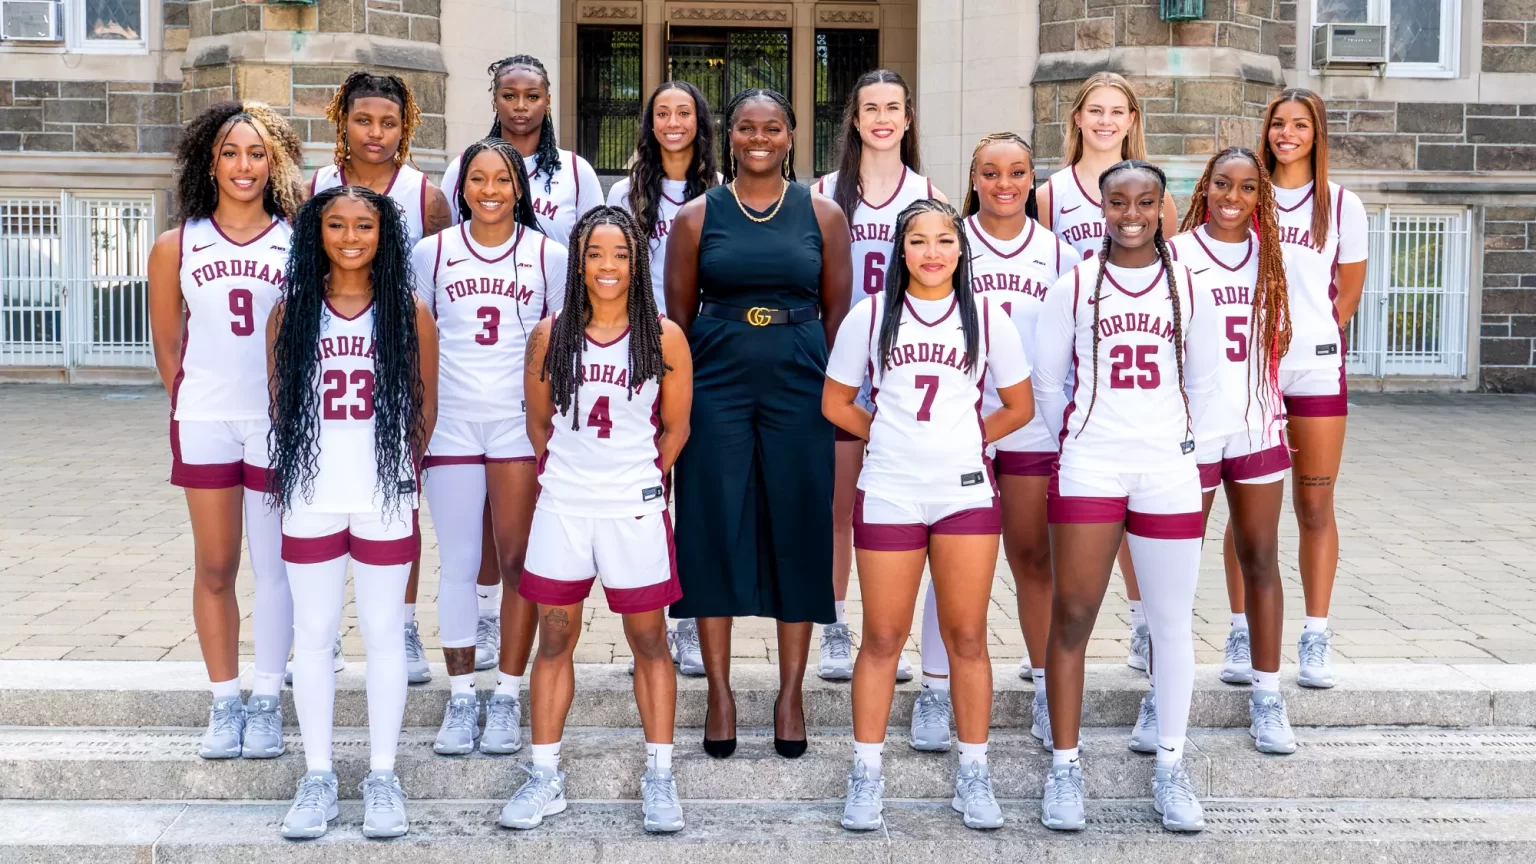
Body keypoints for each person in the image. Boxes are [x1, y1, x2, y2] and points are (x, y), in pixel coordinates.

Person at [826, 199, 1034, 832]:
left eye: (946, 239)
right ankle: (867, 773)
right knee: (883, 638)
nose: (934, 252)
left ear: (961, 248)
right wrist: (885, 431)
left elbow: (1019, 406)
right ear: (901, 251)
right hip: (890, 488)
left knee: (968, 637)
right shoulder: (870, 317)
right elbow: (835, 402)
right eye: (919, 241)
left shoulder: (989, 317)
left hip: (964, 491)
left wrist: (972, 436)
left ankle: (974, 771)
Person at [665, 88, 852, 760]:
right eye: (746, 127)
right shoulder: (694, 217)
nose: (759, 138)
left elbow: (840, 318)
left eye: (772, 127)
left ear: (793, 134)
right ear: (730, 136)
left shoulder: (824, 214)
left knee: (797, 524)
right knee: (712, 521)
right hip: (716, 378)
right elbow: (675, 326)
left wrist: (837, 400)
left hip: (799, 378)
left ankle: (790, 693)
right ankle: (719, 692)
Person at [1034, 160, 1217, 834]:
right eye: (1118, 201)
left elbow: (1204, 383)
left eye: (1144, 201)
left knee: (1170, 623)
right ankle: (1064, 768)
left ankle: (1171, 764)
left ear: (1163, 206)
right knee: (1074, 615)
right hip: (1092, 465)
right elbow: (1049, 384)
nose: (1131, 214)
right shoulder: (1076, 285)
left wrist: (1179, 447)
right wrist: (1084, 440)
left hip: (1167, 470)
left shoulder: (1189, 287)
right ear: (1102, 207)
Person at [501, 206, 693, 834]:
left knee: (649, 642)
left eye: (620, 254)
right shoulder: (550, 334)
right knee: (554, 640)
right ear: (577, 261)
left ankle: (660, 775)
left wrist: (641, 477)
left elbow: (678, 425)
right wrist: (569, 473)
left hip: (632, 510)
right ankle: (544, 775)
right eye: (594, 253)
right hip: (563, 507)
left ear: (637, 262)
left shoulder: (663, 336)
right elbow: (538, 422)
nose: (607, 266)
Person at [267, 185, 438, 840]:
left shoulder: (407, 311)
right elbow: (282, 405)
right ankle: (317, 776)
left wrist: (398, 475)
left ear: (382, 235)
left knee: (385, 631)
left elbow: (426, 410)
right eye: (334, 224)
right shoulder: (290, 311)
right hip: (311, 491)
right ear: (316, 233)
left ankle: (383, 775)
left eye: (363, 225)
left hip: (382, 493)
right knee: (312, 635)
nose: (348, 236)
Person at [147, 100, 306, 761]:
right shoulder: (176, 244)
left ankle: (267, 699)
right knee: (215, 565)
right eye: (231, 152)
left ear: (275, 164)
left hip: (275, 424)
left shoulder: (299, 241)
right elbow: (166, 346)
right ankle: (224, 701)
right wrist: (192, 402)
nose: (244, 165)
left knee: (276, 568)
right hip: (207, 418)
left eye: (257, 153)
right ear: (209, 161)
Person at [410, 137, 567, 757]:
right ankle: (461, 696)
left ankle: (506, 693)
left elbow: (559, 343)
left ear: (520, 188)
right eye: (479, 179)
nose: (491, 190)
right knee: (457, 562)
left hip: (514, 423)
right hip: (451, 422)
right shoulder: (433, 251)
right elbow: (418, 337)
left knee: (515, 562)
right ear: (462, 188)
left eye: (503, 179)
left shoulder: (548, 255)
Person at [309, 70, 454, 683]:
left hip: (393, 370)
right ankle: (322, 637)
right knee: (319, 504)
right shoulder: (315, 186)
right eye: (364, 120)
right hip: (333, 363)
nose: (376, 133)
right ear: (342, 120)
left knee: (398, 508)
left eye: (389, 122)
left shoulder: (425, 195)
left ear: (407, 126)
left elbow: (444, 288)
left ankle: (402, 626)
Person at [1037, 72, 1181, 673]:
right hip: (1074, 353)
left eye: (1116, 111)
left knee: (1138, 512)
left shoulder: (1152, 191)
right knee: (1081, 512)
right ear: (1076, 117)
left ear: (1130, 119)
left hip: (1135, 363)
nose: (1104, 120)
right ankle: (1052, 638)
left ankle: (1144, 626)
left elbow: (1170, 279)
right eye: (1094, 110)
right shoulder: (1051, 191)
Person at [812, 69, 938, 697]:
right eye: (870, 108)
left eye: (894, 107)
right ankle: (835, 625)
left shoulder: (929, 191)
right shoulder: (823, 193)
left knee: (903, 510)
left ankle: (893, 633)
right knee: (839, 509)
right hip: (841, 366)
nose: (882, 118)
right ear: (855, 121)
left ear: (908, 119)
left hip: (908, 369)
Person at [1173, 146, 1297, 754]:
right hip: (1191, 432)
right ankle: (1163, 697)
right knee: (1176, 569)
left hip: (1254, 427)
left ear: (1260, 198)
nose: (1232, 197)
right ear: (1206, 186)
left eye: (1247, 188)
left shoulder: (1273, 260)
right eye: (1223, 184)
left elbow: (1286, 345)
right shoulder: (1176, 255)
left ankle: (1268, 695)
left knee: (1261, 556)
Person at [1242, 88, 1368, 689]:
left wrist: (1308, 339)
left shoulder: (1342, 205)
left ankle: (1316, 633)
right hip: (1250, 372)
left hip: (1314, 369)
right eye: (1277, 123)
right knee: (1252, 513)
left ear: (1317, 134)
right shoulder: (1248, 196)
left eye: (1299, 125)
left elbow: (1345, 295)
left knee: (1314, 505)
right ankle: (1242, 632)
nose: (1286, 134)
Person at [961, 131, 1081, 750]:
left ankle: (1041, 684)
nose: (1003, 184)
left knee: (1033, 559)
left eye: (1016, 173)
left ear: (1032, 180)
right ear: (974, 179)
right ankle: (937, 689)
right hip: (963, 425)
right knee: (955, 567)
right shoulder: (951, 242)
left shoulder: (1058, 254)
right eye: (990, 173)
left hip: (1031, 424)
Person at [606, 80, 721, 675]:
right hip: (642, 349)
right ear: (649, 123)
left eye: (684, 112)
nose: (673, 122)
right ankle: (651, 627)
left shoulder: (722, 192)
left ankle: (691, 624)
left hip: (707, 345)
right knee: (649, 488)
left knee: (695, 493)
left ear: (700, 122)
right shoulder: (627, 193)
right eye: (662, 113)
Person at [442, 55, 603, 246]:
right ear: (495, 100)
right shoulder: (464, 167)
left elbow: (596, 248)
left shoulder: (576, 171)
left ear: (547, 101)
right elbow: (445, 244)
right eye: (509, 96)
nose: (520, 106)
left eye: (532, 96)